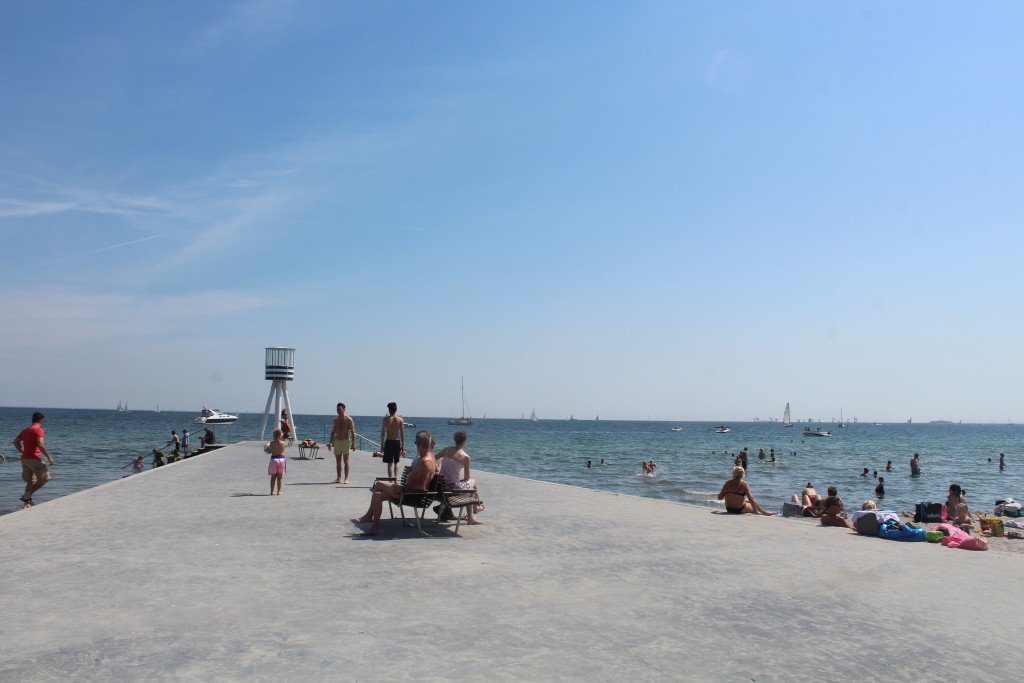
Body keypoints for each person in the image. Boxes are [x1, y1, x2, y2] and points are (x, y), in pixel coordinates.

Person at [352, 430, 437, 536]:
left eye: (416, 443)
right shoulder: (432, 458)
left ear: (420, 444)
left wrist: (400, 487)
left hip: (410, 495)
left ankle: (371, 520)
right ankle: (373, 524)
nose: (416, 446)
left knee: (378, 485)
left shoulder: (423, 462)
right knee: (378, 494)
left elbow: (414, 484)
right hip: (414, 494)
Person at [434, 430, 484, 524]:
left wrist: (437, 466)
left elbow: (433, 458)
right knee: (473, 483)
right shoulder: (465, 457)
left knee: (470, 487)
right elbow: (467, 477)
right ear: (465, 441)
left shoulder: (446, 449)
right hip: (452, 489)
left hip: (440, 487)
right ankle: (472, 515)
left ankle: (474, 509)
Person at [13, 412, 54, 509]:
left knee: (31, 481)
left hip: (25, 459)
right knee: (45, 478)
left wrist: (22, 451)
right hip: (34, 459)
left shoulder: (26, 430)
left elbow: (15, 442)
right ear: (41, 420)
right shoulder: (38, 430)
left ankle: (26, 504)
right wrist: (49, 457)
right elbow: (40, 444)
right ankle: (27, 495)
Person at [329, 402, 356, 484]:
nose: (338, 410)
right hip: (337, 441)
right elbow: (333, 431)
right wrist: (330, 442)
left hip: (345, 441)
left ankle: (346, 478)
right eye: (337, 409)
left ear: (344, 409)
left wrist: (354, 443)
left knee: (346, 460)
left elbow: (352, 431)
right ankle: (338, 478)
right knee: (338, 461)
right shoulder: (336, 420)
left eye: (339, 409)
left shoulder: (348, 419)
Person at [379, 402, 405, 480]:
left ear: (389, 410)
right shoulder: (400, 420)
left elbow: (383, 433)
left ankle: (391, 480)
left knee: (390, 463)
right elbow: (402, 434)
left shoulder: (386, 419)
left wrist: (382, 445)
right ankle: (395, 479)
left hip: (389, 442)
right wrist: (403, 445)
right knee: (396, 462)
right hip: (397, 442)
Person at [267, 428, 287, 495]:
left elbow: (269, 451)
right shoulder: (283, 443)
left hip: (274, 459)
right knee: (280, 477)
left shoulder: (271, 443)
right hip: (281, 459)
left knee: (273, 477)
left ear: (274, 435)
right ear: (281, 435)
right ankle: (279, 491)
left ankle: (272, 491)